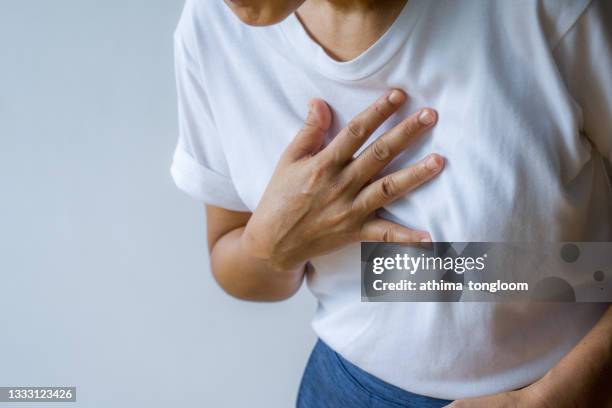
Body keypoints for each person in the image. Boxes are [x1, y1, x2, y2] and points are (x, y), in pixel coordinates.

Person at [170, 0, 612, 406]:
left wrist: (557, 396)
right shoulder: (211, 29)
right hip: (347, 389)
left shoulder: (552, 13)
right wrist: (272, 245)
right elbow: (232, 260)